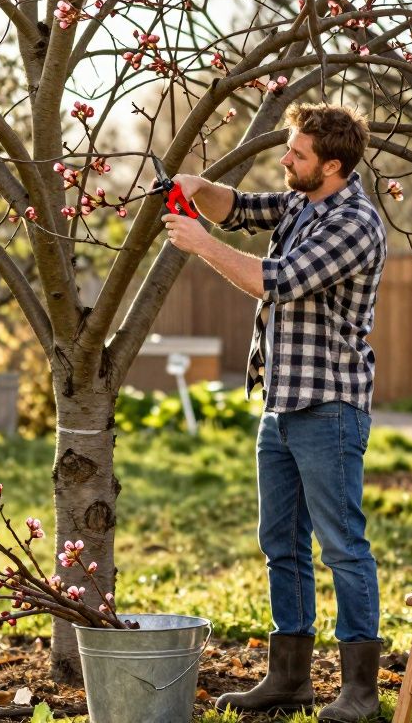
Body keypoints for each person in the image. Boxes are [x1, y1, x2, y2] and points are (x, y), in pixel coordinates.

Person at [162, 103, 387, 722]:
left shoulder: (355, 225)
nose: (286, 160)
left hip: (329, 407)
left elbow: (279, 280)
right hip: (281, 403)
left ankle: (360, 691)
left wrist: (201, 246)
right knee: (281, 544)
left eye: (298, 154)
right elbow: (236, 207)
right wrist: (198, 188)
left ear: (332, 165)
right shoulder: (299, 203)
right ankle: (289, 680)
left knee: (342, 545)